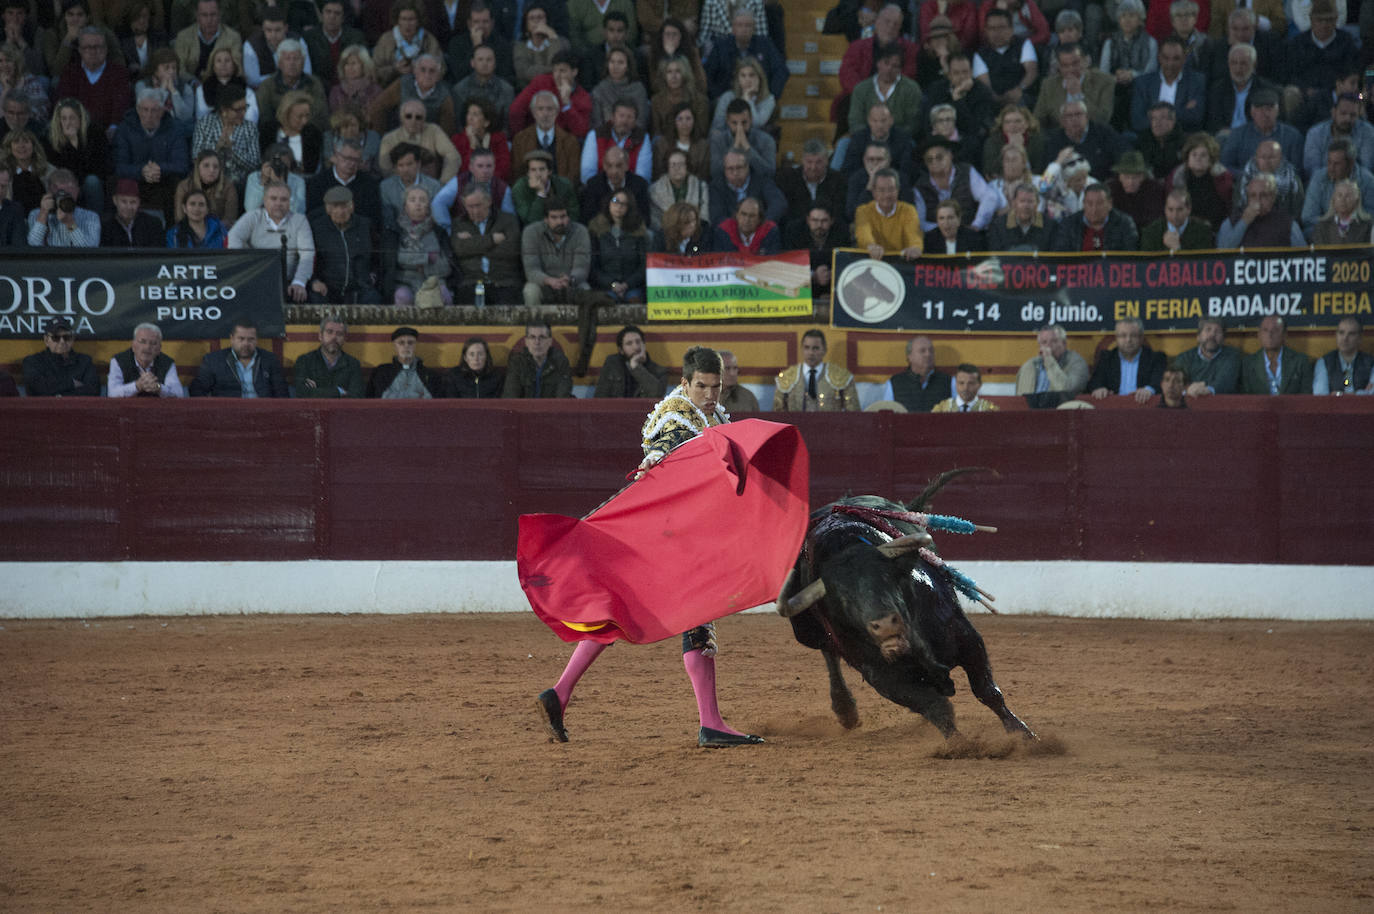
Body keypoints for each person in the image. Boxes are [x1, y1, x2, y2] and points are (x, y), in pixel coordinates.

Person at [535, 344, 765, 749]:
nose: (711, 395)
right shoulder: (674, 416)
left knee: (617, 611)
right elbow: (667, 448)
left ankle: (560, 692)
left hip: (677, 536)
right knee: (697, 617)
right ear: (684, 382)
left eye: (716, 387)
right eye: (702, 387)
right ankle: (710, 724)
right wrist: (654, 460)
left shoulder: (710, 413)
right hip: (670, 542)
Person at [521, 195, 609, 373]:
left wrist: (569, 279)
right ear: (546, 219)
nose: (560, 221)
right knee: (530, 291)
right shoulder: (531, 232)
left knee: (587, 291)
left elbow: (582, 268)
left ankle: (583, 344)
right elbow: (531, 270)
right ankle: (535, 338)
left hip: (572, 283)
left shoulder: (580, 231)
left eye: (563, 216)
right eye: (554, 217)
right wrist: (549, 280)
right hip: (544, 282)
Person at [227, 179, 315, 302]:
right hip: (256, 278)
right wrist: (244, 270)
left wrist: (299, 282)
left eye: (284, 199)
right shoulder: (252, 217)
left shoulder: (300, 221)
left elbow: (307, 253)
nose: (278, 203)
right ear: (264, 200)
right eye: (273, 199)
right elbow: (233, 237)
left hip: (288, 282)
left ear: (290, 202)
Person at [113, 87, 190, 220]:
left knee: (179, 183)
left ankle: (175, 233)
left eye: (154, 110)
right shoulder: (125, 129)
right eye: (144, 109)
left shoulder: (174, 129)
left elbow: (182, 165)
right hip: (135, 180)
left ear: (162, 111)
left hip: (164, 181)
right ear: (138, 109)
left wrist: (159, 168)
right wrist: (142, 171)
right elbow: (118, 165)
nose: (149, 115)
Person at [382, 184, 452, 306]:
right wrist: (427, 258)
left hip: (433, 281)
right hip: (405, 281)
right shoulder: (396, 231)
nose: (418, 204)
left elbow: (446, 266)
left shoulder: (438, 232)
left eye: (423, 200)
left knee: (444, 296)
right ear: (405, 206)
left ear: (429, 206)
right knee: (402, 296)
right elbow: (399, 258)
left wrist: (419, 265)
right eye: (412, 200)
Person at [450, 184, 521, 304]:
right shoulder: (459, 224)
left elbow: (510, 250)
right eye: (470, 207)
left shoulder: (508, 221)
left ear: (489, 201)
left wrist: (473, 243)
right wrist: (492, 240)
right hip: (472, 282)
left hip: (503, 281)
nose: (475, 211)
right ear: (463, 205)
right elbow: (459, 249)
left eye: (478, 205)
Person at [309, 186, 381, 304]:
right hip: (328, 288)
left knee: (373, 299)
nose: (340, 211)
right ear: (327, 208)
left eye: (344, 206)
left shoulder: (365, 225)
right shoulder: (317, 228)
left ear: (352, 206)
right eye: (335, 207)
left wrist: (374, 274)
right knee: (316, 299)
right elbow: (308, 259)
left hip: (360, 287)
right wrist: (314, 281)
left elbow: (378, 255)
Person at [54, 25, 132, 133]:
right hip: (76, 132)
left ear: (105, 49)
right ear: (80, 50)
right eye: (87, 47)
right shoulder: (70, 73)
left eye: (98, 47)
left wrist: (113, 127)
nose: (93, 51)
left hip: (109, 133)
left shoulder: (118, 73)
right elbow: (64, 104)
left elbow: (121, 106)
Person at [189, 319, 289, 397]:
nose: (246, 344)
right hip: (228, 416)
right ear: (232, 339)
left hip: (263, 414)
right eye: (241, 339)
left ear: (256, 340)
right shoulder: (213, 361)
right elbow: (197, 389)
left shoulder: (270, 360)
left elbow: (282, 394)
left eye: (251, 339)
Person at [45, 97, 111, 215]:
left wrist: (75, 143)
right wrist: (69, 146)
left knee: (92, 181)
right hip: (65, 184)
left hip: (88, 184)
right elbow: (60, 170)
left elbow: (99, 168)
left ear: (81, 118)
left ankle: (96, 221)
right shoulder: (51, 139)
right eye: (64, 118)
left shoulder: (95, 133)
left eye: (72, 118)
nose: (68, 123)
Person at [367, 52, 456, 136]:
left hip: (428, 139)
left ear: (438, 76)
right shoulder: (403, 84)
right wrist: (380, 135)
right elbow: (378, 108)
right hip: (399, 135)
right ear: (415, 72)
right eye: (423, 70)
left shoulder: (444, 95)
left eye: (432, 71)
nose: (427, 75)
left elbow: (447, 129)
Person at [190, 81, 260, 188]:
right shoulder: (205, 124)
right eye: (238, 110)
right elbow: (196, 157)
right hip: (208, 180)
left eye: (245, 107)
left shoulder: (250, 128)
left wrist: (232, 151)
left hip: (239, 184)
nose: (244, 113)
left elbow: (255, 163)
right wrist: (217, 148)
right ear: (224, 110)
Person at [773, 329, 860, 412]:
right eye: (807, 347)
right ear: (802, 349)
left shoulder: (842, 376)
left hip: (831, 426)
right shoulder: (786, 377)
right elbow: (778, 415)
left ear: (824, 350)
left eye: (815, 348)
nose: (811, 353)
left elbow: (853, 413)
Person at [379, 98, 461, 185]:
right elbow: (385, 169)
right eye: (408, 116)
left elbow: (453, 156)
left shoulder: (433, 130)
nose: (413, 121)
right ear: (401, 118)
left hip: (430, 186)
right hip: (400, 188)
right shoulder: (389, 139)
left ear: (424, 120)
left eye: (418, 117)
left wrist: (442, 183)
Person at [509, 89, 580, 187]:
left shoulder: (570, 141)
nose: (545, 114)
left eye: (550, 109)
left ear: (557, 112)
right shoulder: (520, 139)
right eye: (540, 109)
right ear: (533, 112)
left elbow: (573, 176)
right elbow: (517, 174)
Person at [1033, 43, 1113, 130]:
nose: (1071, 69)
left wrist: (1078, 95)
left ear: (1085, 61)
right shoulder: (1049, 85)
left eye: (1075, 63)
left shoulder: (1104, 81)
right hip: (1059, 136)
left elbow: (1103, 120)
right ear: (1058, 66)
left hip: (1093, 135)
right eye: (1065, 66)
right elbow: (1037, 118)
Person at [588, 188, 647, 303]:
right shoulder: (596, 230)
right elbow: (593, 267)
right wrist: (612, 284)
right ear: (608, 203)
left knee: (635, 301)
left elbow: (644, 266)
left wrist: (626, 284)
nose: (619, 206)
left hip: (632, 286)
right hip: (605, 286)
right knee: (607, 302)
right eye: (615, 201)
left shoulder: (639, 231)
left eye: (624, 203)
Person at [1088, 317, 1167, 403]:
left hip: (1144, 407)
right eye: (1123, 336)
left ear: (1141, 337)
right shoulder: (1107, 358)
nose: (1128, 340)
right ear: (1116, 338)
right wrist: (1099, 388)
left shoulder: (1156, 358)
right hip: (1113, 408)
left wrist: (1149, 390)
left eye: (1133, 335)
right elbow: (1094, 382)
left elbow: (1160, 382)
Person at [1217, 173, 1305, 248]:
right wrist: (1244, 222)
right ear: (1247, 198)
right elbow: (1221, 253)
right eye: (1253, 195)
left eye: (1263, 195)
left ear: (1273, 197)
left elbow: (1304, 257)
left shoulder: (1288, 224)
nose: (1258, 200)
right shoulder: (1231, 222)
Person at [776, 138, 845, 231]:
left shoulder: (838, 180)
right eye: (809, 162)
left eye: (818, 162)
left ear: (826, 161)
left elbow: (839, 214)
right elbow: (786, 214)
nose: (813, 167)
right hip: (795, 233)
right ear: (802, 160)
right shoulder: (787, 179)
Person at [853, 168, 922, 260]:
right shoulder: (863, 211)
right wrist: (871, 246)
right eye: (881, 190)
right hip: (873, 261)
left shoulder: (909, 210)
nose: (887, 195)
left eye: (891, 189)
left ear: (898, 190)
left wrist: (915, 248)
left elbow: (914, 235)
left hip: (902, 263)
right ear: (874, 192)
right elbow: (863, 235)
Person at [1169, 132, 1233, 230]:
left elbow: (1227, 209)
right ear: (1187, 157)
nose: (1198, 159)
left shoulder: (1222, 177)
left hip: (1216, 228)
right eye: (1194, 154)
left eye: (1203, 155)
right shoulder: (1176, 177)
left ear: (1211, 159)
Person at [21, 317, 99, 396]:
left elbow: (93, 391)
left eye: (66, 337)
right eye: (56, 338)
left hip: (76, 407)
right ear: (46, 340)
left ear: (72, 339)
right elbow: (39, 388)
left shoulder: (85, 362)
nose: (62, 342)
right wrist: (71, 383)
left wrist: (59, 395)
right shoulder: (32, 362)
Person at [709, 148, 785, 227]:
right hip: (730, 233)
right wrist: (739, 230)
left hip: (760, 229)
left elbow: (778, 203)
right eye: (730, 169)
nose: (735, 173)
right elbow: (717, 216)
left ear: (747, 166)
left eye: (739, 168)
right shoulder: (716, 186)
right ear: (724, 169)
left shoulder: (761, 180)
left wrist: (761, 224)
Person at [372, 0, 442, 87]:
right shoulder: (386, 40)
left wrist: (420, 70)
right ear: (398, 20)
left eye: (411, 19)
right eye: (403, 19)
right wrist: (395, 69)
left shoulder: (429, 40)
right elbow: (375, 71)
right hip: (391, 88)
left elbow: (441, 69)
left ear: (418, 20)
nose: (407, 24)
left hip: (422, 88)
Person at [1239, 314, 1314, 395]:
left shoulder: (1300, 361)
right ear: (1259, 335)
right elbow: (1245, 398)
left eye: (1275, 330)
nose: (1270, 335)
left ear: (1285, 335)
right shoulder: (1248, 363)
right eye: (1265, 330)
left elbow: (1306, 396)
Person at [107, 322, 186, 398]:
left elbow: (178, 393)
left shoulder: (167, 362)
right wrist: (137, 386)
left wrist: (158, 387)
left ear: (159, 349)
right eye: (143, 342)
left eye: (153, 343)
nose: (147, 347)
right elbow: (112, 393)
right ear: (133, 345)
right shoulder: (118, 361)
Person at [293, 315, 364, 398]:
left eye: (339, 334)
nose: (334, 337)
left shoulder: (353, 364)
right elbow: (302, 394)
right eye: (329, 332)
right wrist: (339, 392)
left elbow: (355, 398)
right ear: (320, 336)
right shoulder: (304, 361)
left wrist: (316, 391)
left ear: (345, 338)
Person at [1052, 184, 1140, 251]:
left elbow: (1130, 257)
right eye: (1089, 203)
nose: (1094, 209)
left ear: (1110, 204)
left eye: (1100, 203)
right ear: (1083, 204)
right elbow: (1060, 258)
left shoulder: (1124, 223)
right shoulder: (1069, 224)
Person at [785, 205, 848, 298]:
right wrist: (813, 275)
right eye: (815, 220)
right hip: (801, 288)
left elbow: (845, 261)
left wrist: (833, 274)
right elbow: (788, 265)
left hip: (834, 286)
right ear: (807, 220)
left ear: (832, 221)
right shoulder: (794, 232)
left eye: (824, 221)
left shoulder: (841, 232)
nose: (819, 225)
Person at [1014, 323, 1090, 401]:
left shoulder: (1076, 363)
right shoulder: (1029, 366)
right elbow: (1018, 399)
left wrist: (1049, 362)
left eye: (1054, 341)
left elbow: (1068, 392)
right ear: (1039, 346)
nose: (1048, 346)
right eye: (1044, 342)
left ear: (1064, 344)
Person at [26, 168, 100, 247]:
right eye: (60, 193)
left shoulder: (90, 217)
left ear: (77, 191)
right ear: (49, 192)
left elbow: (90, 252)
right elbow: (33, 246)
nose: (63, 197)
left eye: (68, 193)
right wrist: (43, 213)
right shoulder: (36, 214)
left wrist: (70, 224)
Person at [1171, 316, 1241, 397]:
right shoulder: (1184, 358)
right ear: (1198, 337)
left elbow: (1225, 383)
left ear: (1223, 339)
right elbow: (1176, 383)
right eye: (1208, 330)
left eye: (1218, 331)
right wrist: (1187, 389)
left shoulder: (1232, 357)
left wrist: (1207, 390)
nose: (1212, 335)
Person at [174, 0, 243, 82]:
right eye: (204, 15)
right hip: (190, 86)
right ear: (197, 16)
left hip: (222, 84)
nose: (209, 20)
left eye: (213, 14)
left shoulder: (233, 37)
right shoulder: (183, 37)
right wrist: (192, 82)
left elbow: (238, 69)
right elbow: (179, 69)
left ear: (219, 15)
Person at [878, 335, 951, 412]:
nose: (928, 354)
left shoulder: (948, 381)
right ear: (909, 356)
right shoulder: (894, 383)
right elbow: (887, 415)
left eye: (931, 351)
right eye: (922, 351)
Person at [502, 320, 574, 397]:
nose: (537, 342)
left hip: (552, 408)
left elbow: (562, 399)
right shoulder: (517, 362)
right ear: (526, 342)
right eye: (532, 337)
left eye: (542, 337)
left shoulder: (561, 362)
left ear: (550, 341)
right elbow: (511, 398)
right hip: (524, 409)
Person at [593, 324, 667, 398]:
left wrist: (635, 367)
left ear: (644, 344)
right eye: (629, 343)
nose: (635, 347)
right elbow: (599, 397)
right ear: (621, 350)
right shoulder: (612, 365)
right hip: (616, 409)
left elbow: (657, 395)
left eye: (638, 342)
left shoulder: (659, 371)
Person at [367, 325, 441, 399]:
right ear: (395, 346)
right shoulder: (382, 372)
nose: (406, 346)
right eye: (401, 343)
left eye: (410, 343)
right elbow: (381, 398)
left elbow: (432, 400)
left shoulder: (430, 375)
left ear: (416, 346)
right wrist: (417, 395)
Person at [648, 147, 709, 232]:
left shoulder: (701, 187)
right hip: (666, 234)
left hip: (695, 233)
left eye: (681, 164)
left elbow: (704, 216)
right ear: (667, 167)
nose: (677, 168)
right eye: (673, 165)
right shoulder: (654, 190)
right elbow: (655, 220)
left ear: (687, 166)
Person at [514, 148, 579, 225]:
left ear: (549, 171)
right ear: (528, 173)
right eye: (533, 170)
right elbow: (531, 220)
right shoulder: (520, 188)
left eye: (542, 169)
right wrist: (541, 193)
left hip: (562, 227)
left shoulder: (564, 184)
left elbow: (574, 214)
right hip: (535, 231)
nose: (538, 174)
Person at [175, 149, 239, 225]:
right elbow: (180, 218)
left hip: (218, 232)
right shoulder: (184, 186)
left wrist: (210, 231)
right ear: (197, 167)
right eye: (206, 165)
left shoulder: (228, 187)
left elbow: (230, 219)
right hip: (189, 232)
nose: (212, 170)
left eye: (216, 167)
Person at [1139, 188, 1215, 252]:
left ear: (1189, 209)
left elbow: (1203, 265)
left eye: (1180, 209)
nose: (1174, 215)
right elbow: (1147, 265)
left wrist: (1178, 249)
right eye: (1170, 209)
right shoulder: (1151, 232)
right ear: (1165, 209)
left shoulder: (1203, 232)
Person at [1312, 317, 1373, 395]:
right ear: (1336, 335)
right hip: (1333, 407)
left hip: (1365, 407)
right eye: (1341, 333)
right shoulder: (1324, 362)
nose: (1345, 338)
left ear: (1360, 338)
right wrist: (1361, 393)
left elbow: (1372, 394)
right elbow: (1320, 395)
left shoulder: (1371, 363)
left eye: (1351, 334)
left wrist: (1339, 394)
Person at [987, 181, 1054, 250]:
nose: (1026, 206)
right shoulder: (998, 225)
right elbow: (995, 255)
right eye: (1022, 201)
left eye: (1030, 201)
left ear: (1037, 204)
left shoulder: (1050, 225)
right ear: (1014, 203)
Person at [100, 178, 163, 247]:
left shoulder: (153, 224)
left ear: (139, 202)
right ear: (115, 200)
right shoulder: (106, 228)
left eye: (133, 202)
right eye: (124, 202)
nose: (128, 207)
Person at [1311, 179, 1373, 245]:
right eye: (1339, 195)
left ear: (1356, 200)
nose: (1343, 200)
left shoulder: (1368, 226)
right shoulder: (1321, 227)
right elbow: (1320, 253)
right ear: (1333, 200)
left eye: (1348, 196)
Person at [712, 195, 780, 255]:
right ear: (736, 215)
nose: (747, 220)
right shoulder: (723, 232)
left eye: (752, 216)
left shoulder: (770, 232)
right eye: (743, 214)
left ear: (760, 219)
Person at [932, 363, 1000, 412]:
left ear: (979, 385)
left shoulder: (990, 411)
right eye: (961, 383)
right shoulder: (941, 409)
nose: (965, 388)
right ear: (955, 384)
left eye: (971, 383)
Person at [718, 348, 758, 413]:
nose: (732, 373)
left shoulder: (747, 397)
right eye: (727, 368)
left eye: (735, 368)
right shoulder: (705, 395)